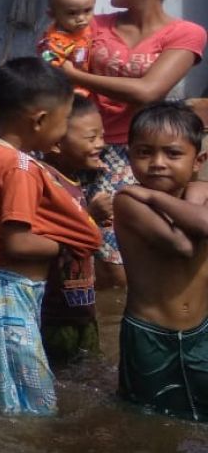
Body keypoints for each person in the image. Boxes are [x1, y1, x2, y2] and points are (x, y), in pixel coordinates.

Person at [63, 0, 205, 288]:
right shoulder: (93, 25)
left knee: (117, 260)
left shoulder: (186, 33)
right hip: (76, 147)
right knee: (67, 240)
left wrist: (75, 75)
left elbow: (149, 91)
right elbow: (52, 57)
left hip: (134, 152)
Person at [0, 58, 101, 416]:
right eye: (62, 124)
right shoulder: (21, 168)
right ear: (40, 120)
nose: (62, 134)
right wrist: (66, 245)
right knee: (34, 404)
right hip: (12, 293)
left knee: (2, 389)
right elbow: (18, 242)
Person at [114, 102, 208, 421]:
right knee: (148, 419)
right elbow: (182, 246)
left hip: (201, 332)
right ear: (129, 157)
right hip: (149, 335)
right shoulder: (128, 201)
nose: (157, 163)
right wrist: (187, 202)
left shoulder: (195, 195)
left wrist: (155, 196)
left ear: (198, 161)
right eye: (144, 153)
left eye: (172, 154)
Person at [38, 95, 109, 365]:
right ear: (56, 143)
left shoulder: (74, 180)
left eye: (102, 136)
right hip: (55, 314)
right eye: (91, 138)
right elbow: (46, 236)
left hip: (82, 307)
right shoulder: (46, 182)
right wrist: (89, 216)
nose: (100, 145)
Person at [37, 0, 95, 77]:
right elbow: (51, 68)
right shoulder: (51, 43)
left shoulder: (91, 28)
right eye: (72, 13)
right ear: (52, 15)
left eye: (87, 10)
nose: (81, 18)